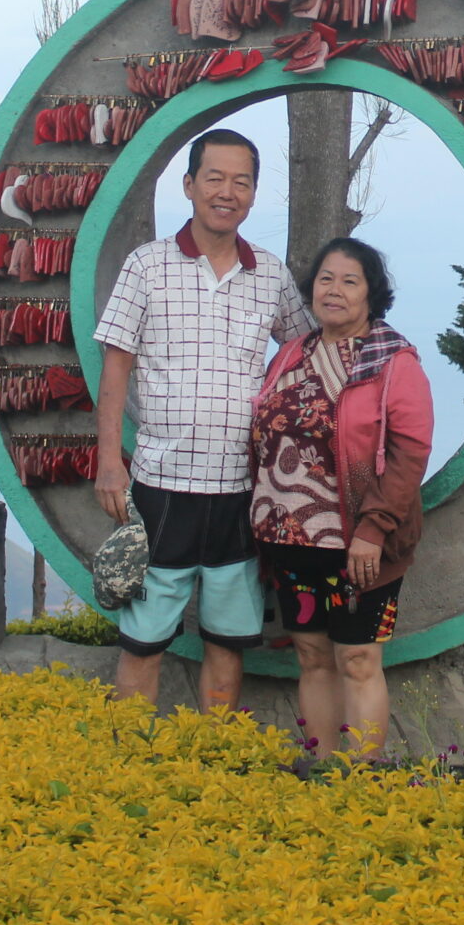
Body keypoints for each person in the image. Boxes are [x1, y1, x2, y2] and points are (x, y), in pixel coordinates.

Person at [92, 128, 309, 711]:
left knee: (228, 638)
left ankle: (214, 752)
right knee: (144, 637)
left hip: (242, 489)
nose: (227, 192)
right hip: (162, 483)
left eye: (241, 182)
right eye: (214, 178)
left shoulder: (270, 274)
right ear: (189, 185)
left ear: (254, 193)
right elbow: (116, 368)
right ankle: (131, 748)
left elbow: (305, 352)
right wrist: (109, 461)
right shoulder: (147, 266)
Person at [248, 236, 433, 758]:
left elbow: (410, 453)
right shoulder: (290, 355)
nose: (334, 290)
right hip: (289, 541)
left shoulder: (394, 362)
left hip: (359, 545)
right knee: (311, 656)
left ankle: (362, 780)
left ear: (371, 294)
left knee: (357, 659)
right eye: (326, 279)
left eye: (350, 281)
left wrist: (374, 529)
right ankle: (323, 770)